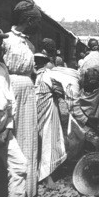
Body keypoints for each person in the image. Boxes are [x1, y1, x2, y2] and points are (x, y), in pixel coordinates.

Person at [2, 0, 42, 197]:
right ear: (28, 20)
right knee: (11, 135)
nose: (38, 26)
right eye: (36, 21)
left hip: (28, 91)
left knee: (28, 136)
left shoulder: (30, 44)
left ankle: (28, 190)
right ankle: (10, 187)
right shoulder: (6, 40)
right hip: (10, 90)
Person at [0, 21, 27, 197]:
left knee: (20, 166)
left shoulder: (1, 67)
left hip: (3, 128)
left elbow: (11, 101)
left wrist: (7, 128)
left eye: (0, 41)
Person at [33, 52, 66, 189]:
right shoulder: (44, 75)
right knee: (47, 141)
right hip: (45, 112)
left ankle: (45, 175)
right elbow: (60, 92)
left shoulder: (41, 75)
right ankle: (46, 177)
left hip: (42, 112)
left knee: (45, 142)